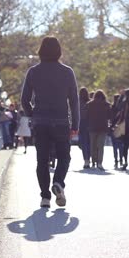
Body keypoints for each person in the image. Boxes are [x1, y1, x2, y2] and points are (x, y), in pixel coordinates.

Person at [21, 36, 79, 208]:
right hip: (61, 121)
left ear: (41, 51)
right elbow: (74, 101)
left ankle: (45, 197)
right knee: (64, 157)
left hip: (41, 122)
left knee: (42, 160)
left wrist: (33, 115)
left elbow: (25, 100)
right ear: (59, 51)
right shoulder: (67, 72)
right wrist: (75, 124)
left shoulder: (33, 72)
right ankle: (59, 183)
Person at [87, 90, 111, 171]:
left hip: (92, 127)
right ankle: (100, 163)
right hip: (103, 128)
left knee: (93, 146)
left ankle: (93, 163)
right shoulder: (107, 105)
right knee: (100, 146)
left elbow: (86, 116)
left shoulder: (90, 104)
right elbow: (109, 116)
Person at [110, 94, 124, 168]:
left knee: (115, 146)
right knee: (121, 145)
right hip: (120, 128)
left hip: (113, 129)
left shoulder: (112, 108)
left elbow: (110, 118)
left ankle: (116, 161)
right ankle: (121, 160)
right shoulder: (122, 109)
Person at [78, 87, 91, 169]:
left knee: (83, 143)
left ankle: (86, 160)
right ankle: (88, 159)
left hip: (81, 123)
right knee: (88, 143)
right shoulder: (90, 102)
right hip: (89, 123)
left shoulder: (78, 102)